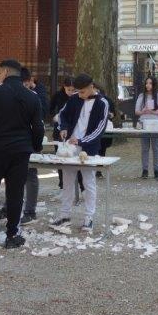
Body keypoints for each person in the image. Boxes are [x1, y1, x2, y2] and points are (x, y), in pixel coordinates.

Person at [0, 60, 45, 248]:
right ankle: (12, 234)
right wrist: (35, 146)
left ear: (4, 72)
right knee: (15, 192)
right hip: (20, 150)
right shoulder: (32, 97)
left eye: (0, 72)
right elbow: (38, 126)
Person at [51, 73, 110, 233]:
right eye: (78, 92)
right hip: (70, 146)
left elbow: (100, 129)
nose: (80, 95)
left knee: (88, 182)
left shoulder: (102, 103)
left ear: (91, 87)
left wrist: (82, 141)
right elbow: (62, 115)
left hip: (89, 147)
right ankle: (65, 215)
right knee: (68, 181)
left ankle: (89, 218)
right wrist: (63, 128)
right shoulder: (74, 98)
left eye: (83, 92)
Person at [0, 66, 48, 225]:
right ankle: (8, 207)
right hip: (12, 142)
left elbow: (39, 122)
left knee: (30, 175)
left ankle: (30, 211)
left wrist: (37, 144)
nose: (24, 87)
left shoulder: (34, 96)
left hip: (28, 142)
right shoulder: (5, 94)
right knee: (10, 175)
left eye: (26, 84)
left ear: (30, 82)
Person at [135, 76, 158, 180]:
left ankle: (157, 171)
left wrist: (154, 112)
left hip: (155, 125)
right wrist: (143, 111)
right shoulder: (142, 96)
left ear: (154, 85)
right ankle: (145, 170)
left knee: (156, 148)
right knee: (144, 148)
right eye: (146, 83)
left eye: (150, 83)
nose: (148, 85)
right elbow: (137, 111)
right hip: (144, 124)